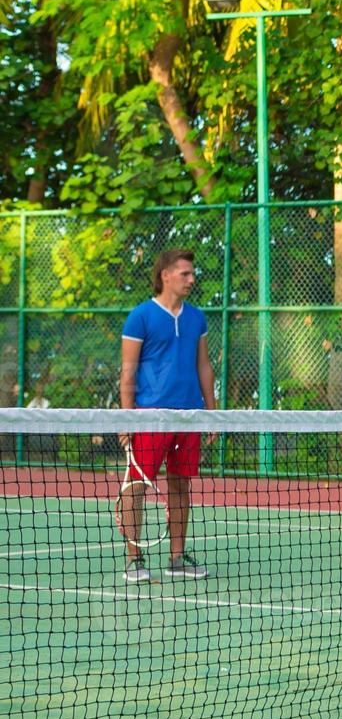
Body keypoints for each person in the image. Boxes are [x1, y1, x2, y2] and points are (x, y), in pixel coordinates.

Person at [117, 248, 217, 583]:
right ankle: (134, 558)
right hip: (149, 416)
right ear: (166, 276)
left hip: (188, 416)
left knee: (180, 484)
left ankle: (176, 557)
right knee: (136, 485)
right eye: (185, 274)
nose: (191, 279)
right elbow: (128, 370)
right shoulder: (141, 316)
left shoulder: (196, 318)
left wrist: (211, 412)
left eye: (192, 274)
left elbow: (203, 365)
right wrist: (126, 418)